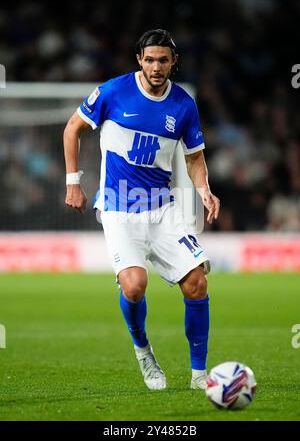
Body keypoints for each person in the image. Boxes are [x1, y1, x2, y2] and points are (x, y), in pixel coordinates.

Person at [63, 29, 220, 391]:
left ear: (173, 62)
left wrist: (204, 190)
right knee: (134, 286)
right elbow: (72, 129)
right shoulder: (113, 92)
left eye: (163, 60)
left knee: (197, 283)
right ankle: (144, 351)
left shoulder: (183, 104)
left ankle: (199, 376)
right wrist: (74, 181)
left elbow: (194, 157)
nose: (156, 66)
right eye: (149, 59)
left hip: (163, 208)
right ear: (139, 60)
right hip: (120, 207)